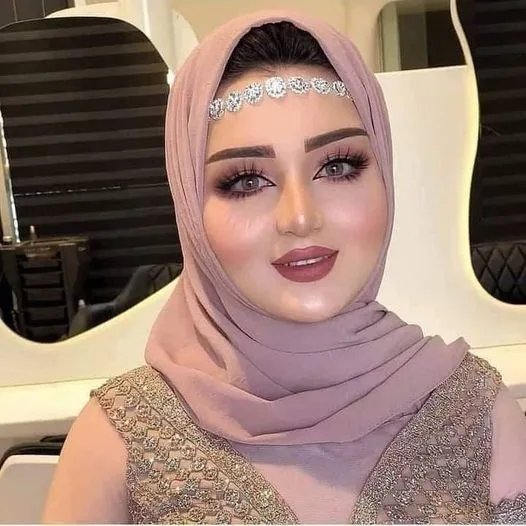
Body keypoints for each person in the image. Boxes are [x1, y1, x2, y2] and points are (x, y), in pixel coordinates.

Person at [42, 10, 526, 524]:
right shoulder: (118, 442)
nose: (300, 217)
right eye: (247, 181)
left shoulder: (477, 413)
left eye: (337, 166)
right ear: (189, 205)